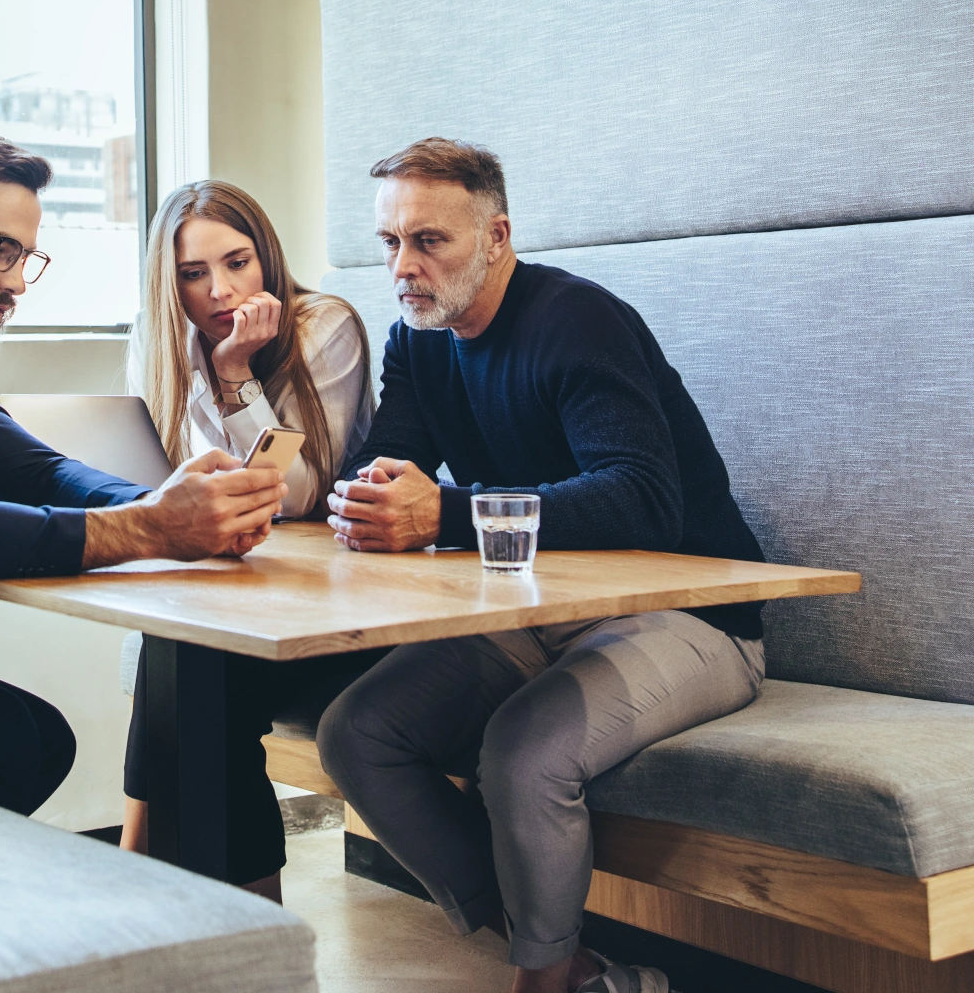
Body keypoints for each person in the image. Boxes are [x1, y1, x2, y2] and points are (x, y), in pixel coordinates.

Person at [315, 139, 766, 993]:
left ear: (497, 235)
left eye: (428, 241)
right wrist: (359, 497)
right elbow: (382, 465)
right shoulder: (421, 338)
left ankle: (544, 979)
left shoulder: (577, 320)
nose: (403, 267)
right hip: (541, 613)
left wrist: (440, 512)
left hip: (693, 611)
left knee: (522, 752)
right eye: (389, 243)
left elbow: (642, 500)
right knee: (358, 733)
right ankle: (568, 964)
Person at [0, 128, 287, 819]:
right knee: (5, 741)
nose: (14, 282)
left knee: (41, 740)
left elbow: (36, 474)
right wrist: (150, 529)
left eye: (25, 257)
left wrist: (174, 506)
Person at [118, 180, 377, 899]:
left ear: (265, 254)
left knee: (192, 659)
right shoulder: (162, 338)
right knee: (181, 644)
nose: (220, 291)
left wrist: (234, 375)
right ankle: (229, 906)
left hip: (322, 586)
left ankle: (157, 869)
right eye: (193, 274)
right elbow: (160, 476)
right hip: (230, 577)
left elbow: (294, 492)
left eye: (237, 263)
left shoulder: (325, 326)